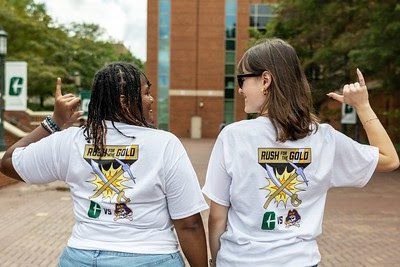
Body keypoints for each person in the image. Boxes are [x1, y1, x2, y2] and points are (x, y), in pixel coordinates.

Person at [202, 38, 399, 267]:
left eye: (242, 79)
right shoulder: (324, 138)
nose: (239, 88)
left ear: (265, 80)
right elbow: (390, 159)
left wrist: (216, 261)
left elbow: (217, 217)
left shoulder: (233, 137)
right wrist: (363, 106)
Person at [0, 62, 209, 267]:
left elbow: (8, 161)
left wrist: (55, 121)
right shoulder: (164, 144)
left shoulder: (72, 141)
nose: (151, 99)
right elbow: (189, 224)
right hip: (150, 256)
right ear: (125, 101)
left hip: (81, 257)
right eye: (146, 93)